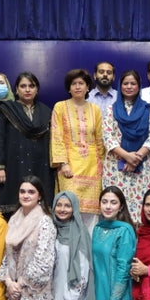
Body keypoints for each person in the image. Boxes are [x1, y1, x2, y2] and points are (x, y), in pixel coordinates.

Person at [0, 72, 54, 216]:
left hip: (40, 164)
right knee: (12, 203)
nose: (27, 89)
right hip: (13, 165)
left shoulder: (46, 111)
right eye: (23, 86)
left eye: (31, 86)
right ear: (16, 90)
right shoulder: (6, 109)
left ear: (37, 89)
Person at [102, 69, 150, 223]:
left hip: (144, 166)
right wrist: (127, 157)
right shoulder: (111, 110)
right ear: (120, 86)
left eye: (133, 83)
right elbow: (108, 137)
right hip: (116, 167)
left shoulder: (149, 110)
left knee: (141, 206)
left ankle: (139, 242)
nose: (129, 86)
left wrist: (137, 157)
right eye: (125, 83)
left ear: (139, 86)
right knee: (116, 203)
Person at [50, 68, 105, 228]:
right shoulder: (60, 107)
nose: (78, 87)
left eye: (81, 83)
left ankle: (88, 250)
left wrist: (102, 164)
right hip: (70, 168)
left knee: (91, 215)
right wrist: (63, 163)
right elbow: (56, 135)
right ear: (69, 88)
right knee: (68, 208)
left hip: (93, 168)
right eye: (74, 84)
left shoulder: (95, 109)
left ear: (88, 87)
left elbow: (99, 138)